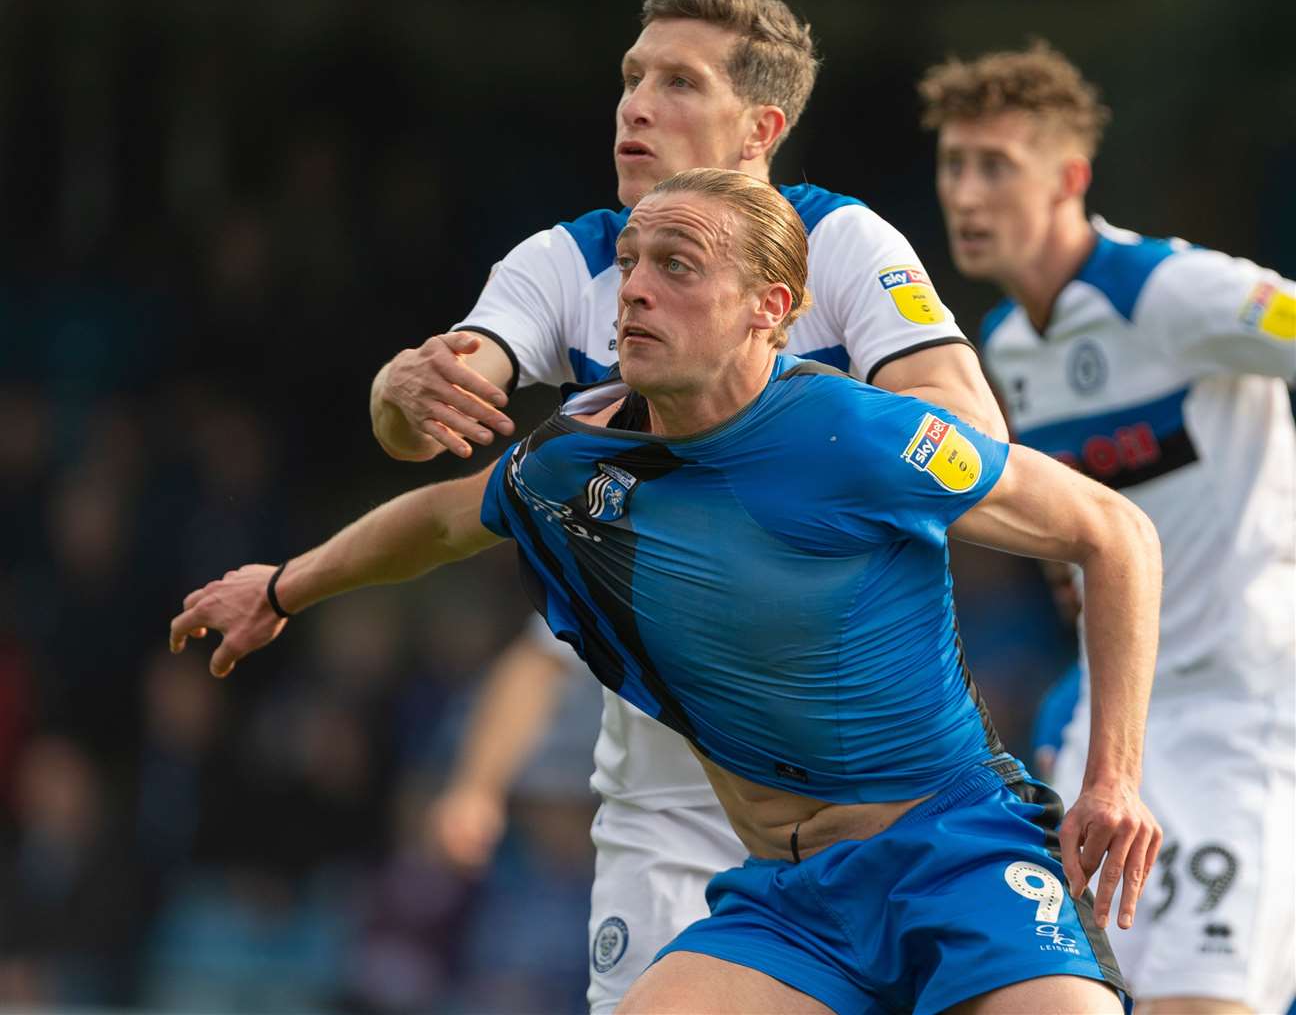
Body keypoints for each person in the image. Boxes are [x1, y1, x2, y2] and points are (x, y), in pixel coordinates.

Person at [173, 169, 1162, 1014]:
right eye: (633, 262)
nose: (634, 291)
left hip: (963, 857)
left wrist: (1114, 778)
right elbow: (438, 520)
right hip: (796, 903)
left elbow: (1114, 533)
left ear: (770, 310)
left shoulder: (852, 435)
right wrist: (284, 586)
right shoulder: (572, 465)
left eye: (677, 267)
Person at [368, 0, 1010, 1010]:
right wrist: (397, 392)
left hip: (866, 796)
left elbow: (968, 426)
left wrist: (777, 436)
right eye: (631, 78)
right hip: (665, 799)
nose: (636, 104)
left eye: (676, 81)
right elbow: (443, 403)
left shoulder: (839, 242)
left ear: (760, 127)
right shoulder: (563, 260)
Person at [921, 41, 1296, 1015]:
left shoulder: (1170, 293)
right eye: (954, 164)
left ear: (1070, 178)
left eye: (996, 165)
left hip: (1243, 714)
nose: (966, 193)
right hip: (1115, 727)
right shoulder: (1003, 348)